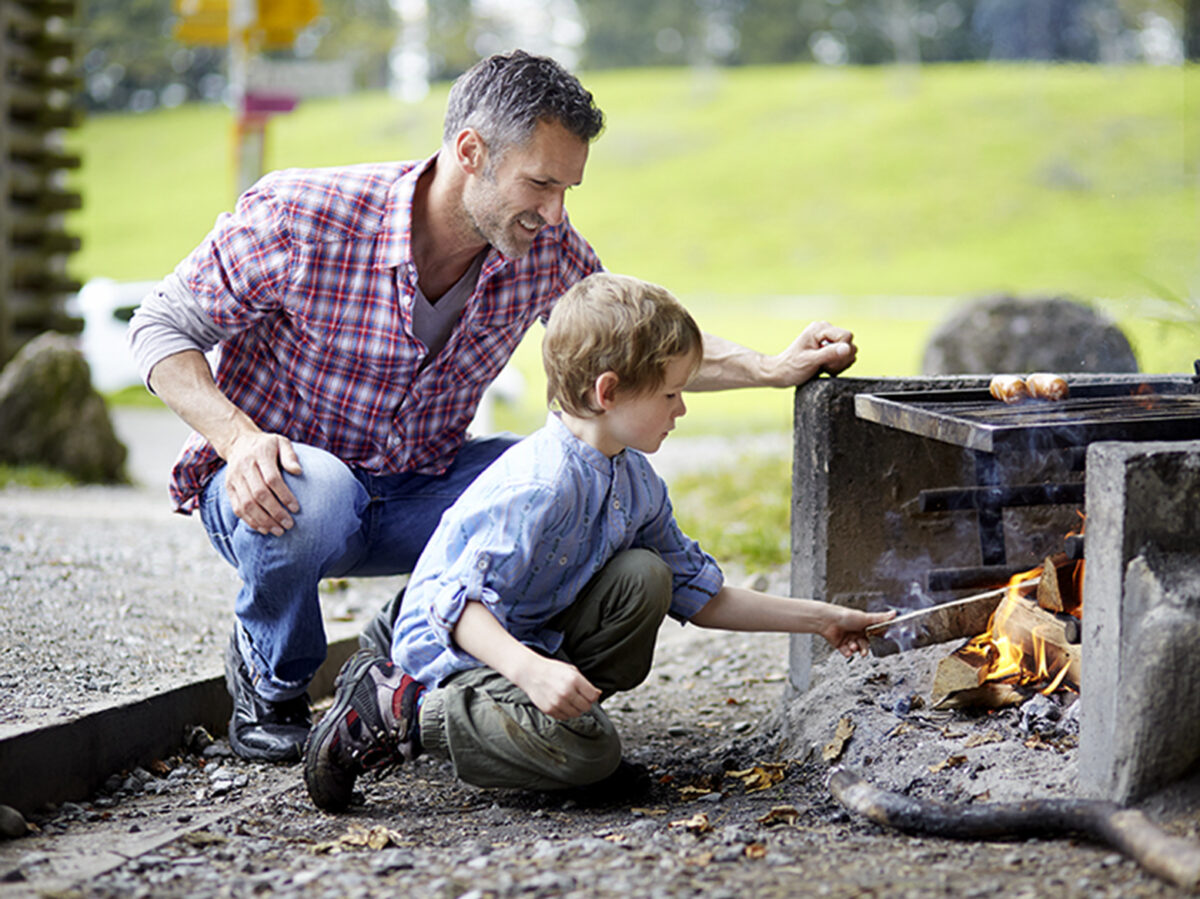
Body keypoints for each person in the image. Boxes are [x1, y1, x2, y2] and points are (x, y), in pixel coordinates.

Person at [127, 50, 858, 765]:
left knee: (568, 474)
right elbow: (157, 325)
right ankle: (272, 678)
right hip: (282, 490)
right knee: (319, 497)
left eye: (567, 189)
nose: (555, 211)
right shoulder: (302, 214)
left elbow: (635, 351)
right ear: (471, 151)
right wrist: (238, 438)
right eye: (540, 184)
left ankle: (468, 681)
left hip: (423, 486)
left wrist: (771, 367)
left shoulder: (541, 246)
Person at [302, 272, 891, 811]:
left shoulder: (632, 478)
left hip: (526, 640)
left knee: (646, 575)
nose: (682, 408)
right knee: (591, 757)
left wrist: (824, 619)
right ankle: (395, 710)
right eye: (670, 394)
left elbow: (700, 594)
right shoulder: (539, 483)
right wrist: (532, 673)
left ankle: (539, 736)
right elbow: (456, 607)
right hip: (457, 652)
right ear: (608, 392)